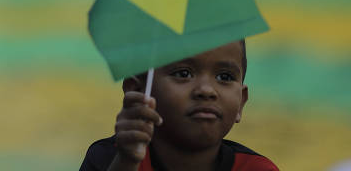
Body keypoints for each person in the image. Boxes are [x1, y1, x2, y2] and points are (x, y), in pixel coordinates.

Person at [79, 40, 279, 170]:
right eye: (183, 73)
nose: (206, 90)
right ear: (138, 91)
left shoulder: (255, 168)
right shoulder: (109, 159)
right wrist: (127, 162)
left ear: (241, 102)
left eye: (224, 76)